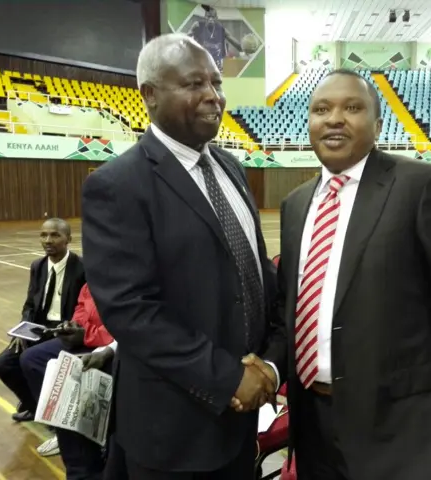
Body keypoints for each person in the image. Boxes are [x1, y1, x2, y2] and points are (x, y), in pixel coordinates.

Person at [246, 69, 431, 479]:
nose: (334, 118)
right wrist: (268, 367)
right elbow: (294, 311)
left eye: (352, 108)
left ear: (377, 126)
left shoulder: (419, 185)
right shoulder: (296, 205)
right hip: (313, 423)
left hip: (400, 426)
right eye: (321, 109)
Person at [80, 33, 283, 480]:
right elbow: (132, 312)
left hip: (242, 416)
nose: (214, 96)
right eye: (194, 84)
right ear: (149, 95)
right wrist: (229, 378)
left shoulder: (232, 166)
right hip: (174, 431)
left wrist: (269, 363)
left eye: (216, 82)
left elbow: (254, 280)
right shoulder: (118, 185)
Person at [0, 218, 85, 422]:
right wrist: (21, 329)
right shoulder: (38, 266)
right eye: (43, 235)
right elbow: (30, 305)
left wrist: (74, 327)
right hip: (40, 328)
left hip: (66, 330)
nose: (48, 240)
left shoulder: (82, 268)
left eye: (55, 235)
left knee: (30, 359)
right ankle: (35, 407)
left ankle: (55, 416)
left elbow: (87, 309)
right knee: (2, 364)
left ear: (68, 238)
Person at [21, 284, 114, 478]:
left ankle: (86, 458)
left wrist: (87, 335)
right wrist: (75, 326)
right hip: (86, 337)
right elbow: (81, 307)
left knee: (79, 376)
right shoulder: (93, 277)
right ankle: (61, 424)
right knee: (32, 359)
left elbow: (124, 326)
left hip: (107, 345)